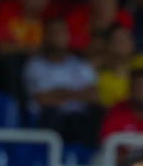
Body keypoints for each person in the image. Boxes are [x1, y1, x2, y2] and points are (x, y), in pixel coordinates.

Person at [23, 17, 102, 149]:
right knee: (51, 114)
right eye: (55, 32)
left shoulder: (81, 65)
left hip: (79, 120)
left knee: (98, 113)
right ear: (46, 37)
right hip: (49, 121)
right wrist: (79, 94)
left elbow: (95, 96)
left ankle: (91, 157)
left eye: (63, 32)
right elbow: (43, 100)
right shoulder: (35, 66)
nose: (59, 36)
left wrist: (60, 93)